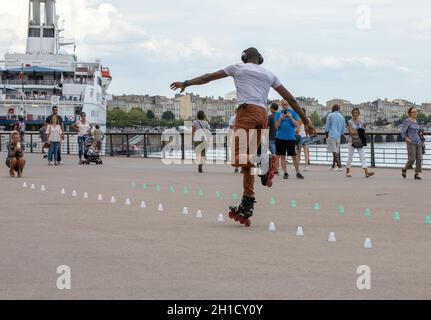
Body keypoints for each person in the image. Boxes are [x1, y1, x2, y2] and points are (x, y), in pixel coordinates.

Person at [170, 47, 315, 222]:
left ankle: (263, 162)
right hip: (262, 115)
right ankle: (248, 201)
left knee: (237, 158)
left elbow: (207, 77)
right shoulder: (269, 74)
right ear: (259, 59)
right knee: (247, 161)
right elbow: (291, 99)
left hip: (246, 114)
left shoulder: (237, 67)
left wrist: (186, 83)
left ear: (244, 57)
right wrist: (306, 121)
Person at [274, 100, 304, 180]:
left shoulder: (293, 113)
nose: (285, 106)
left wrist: (290, 117)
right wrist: (280, 118)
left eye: (286, 105)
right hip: (280, 138)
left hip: (290, 137)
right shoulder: (278, 114)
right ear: (281, 105)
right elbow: (276, 126)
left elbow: (297, 124)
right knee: (282, 156)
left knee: (294, 156)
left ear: (289, 105)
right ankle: (285, 173)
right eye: (283, 105)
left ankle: (298, 172)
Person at [345, 108, 374, 178]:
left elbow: (363, 131)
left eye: (357, 113)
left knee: (363, 157)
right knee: (350, 157)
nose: (356, 114)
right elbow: (351, 132)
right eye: (354, 112)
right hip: (351, 141)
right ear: (352, 114)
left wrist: (358, 132)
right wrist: (359, 132)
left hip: (359, 141)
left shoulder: (360, 122)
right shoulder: (349, 122)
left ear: (358, 114)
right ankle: (347, 171)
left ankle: (366, 173)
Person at [401, 107, 423, 180]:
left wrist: (420, 131)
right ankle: (404, 169)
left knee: (419, 158)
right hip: (411, 142)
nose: (415, 113)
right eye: (413, 112)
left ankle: (416, 174)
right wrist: (406, 139)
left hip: (418, 141)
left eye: (416, 112)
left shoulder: (416, 121)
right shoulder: (407, 121)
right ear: (410, 113)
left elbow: (418, 130)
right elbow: (403, 131)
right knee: (412, 159)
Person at [325, 104, 346, 171]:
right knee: (336, 151)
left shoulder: (330, 115)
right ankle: (333, 165)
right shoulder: (342, 117)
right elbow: (343, 128)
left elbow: (327, 127)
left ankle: (340, 166)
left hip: (331, 135)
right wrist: (341, 133)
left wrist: (326, 135)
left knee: (334, 151)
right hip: (338, 136)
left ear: (333, 109)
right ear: (338, 109)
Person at [268, 102, 280, 175]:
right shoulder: (279, 116)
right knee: (277, 154)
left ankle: (275, 169)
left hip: (271, 138)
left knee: (273, 154)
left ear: (272, 108)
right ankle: (276, 168)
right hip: (279, 137)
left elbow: (267, 128)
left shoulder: (269, 117)